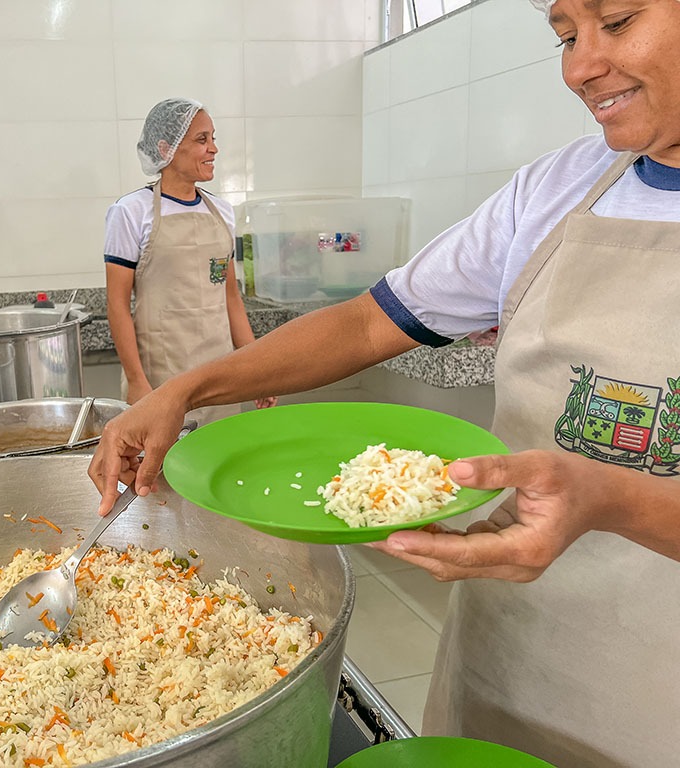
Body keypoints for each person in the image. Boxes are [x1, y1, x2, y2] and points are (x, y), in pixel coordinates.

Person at [89, 0, 680, 765]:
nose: (580, 67)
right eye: (565, 36)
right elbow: (369, 323)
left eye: (619, 20)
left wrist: (614, 498)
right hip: (509, 648)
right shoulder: (555, 190)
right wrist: (186, 390)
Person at [103, 97, 276, 423]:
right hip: (160, 381)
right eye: (201, 139)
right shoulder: (130, 212)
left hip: (220, 380)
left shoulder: (222, 212)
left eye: (213, 138)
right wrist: (137, 380)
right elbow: (117, 304)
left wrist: (257, 371)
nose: (214, 149)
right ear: (166, 148)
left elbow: (231, 300)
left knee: (220, 453)